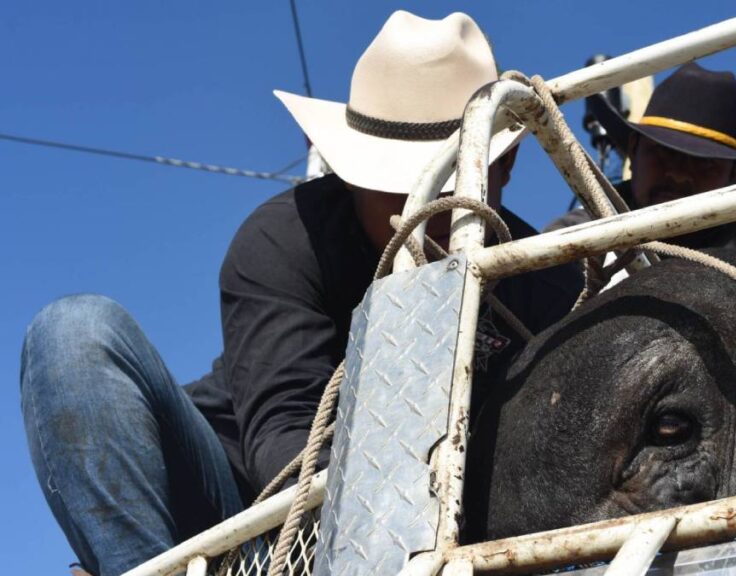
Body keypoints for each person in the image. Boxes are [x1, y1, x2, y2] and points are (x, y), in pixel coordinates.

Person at [20, 12, 581, 575]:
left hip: (450, 533)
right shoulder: (285, 238)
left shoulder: (552, 281)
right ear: (354, 173)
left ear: (504, 164)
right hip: (246, 513)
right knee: (75, 335)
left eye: (451, 176)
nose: (422, 204)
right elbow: (283, 436)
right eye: (399, 181)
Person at [547, 62, 736, 257]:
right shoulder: (574, 237)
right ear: (634, 147)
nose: (678, 175)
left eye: (705, 162)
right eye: (663, 153)